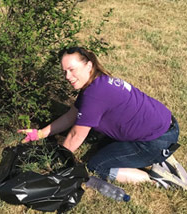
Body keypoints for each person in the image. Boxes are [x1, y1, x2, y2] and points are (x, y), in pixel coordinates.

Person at [18, 47, 187, 189]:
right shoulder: (98, 82)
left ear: (88, 65)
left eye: (72, 70)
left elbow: (75, 136)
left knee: (97, 166)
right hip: (165, 127)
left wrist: (56, 167)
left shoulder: (94, 94)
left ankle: (157, 180)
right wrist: (39, 134)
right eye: (64, 72)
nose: (67, 77)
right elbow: (71, 116)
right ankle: (163, 159)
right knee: (103, 149)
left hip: (155, 140)